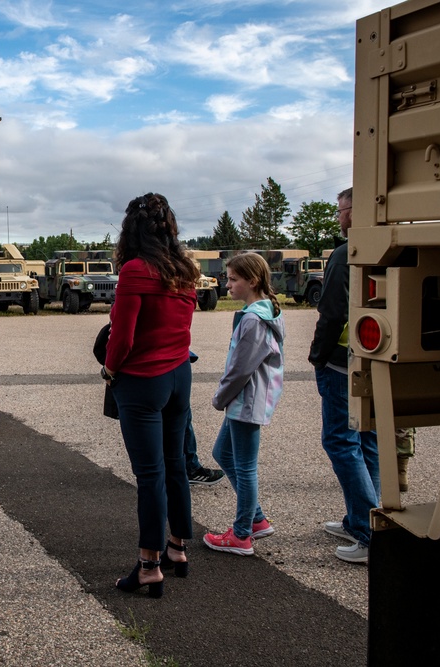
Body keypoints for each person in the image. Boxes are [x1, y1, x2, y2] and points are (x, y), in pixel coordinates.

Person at [103, 193, 199, 599]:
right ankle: (177, 547)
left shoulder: (135, 271)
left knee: (150, 475)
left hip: (144, 379)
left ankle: (148, 566)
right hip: (179, 374)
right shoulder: (184, 269)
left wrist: (110, 369)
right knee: (175, 464)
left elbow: (122, 336)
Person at [309, 187, 379, 565]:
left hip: (341, 362)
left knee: (341, 442)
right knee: (368, 441)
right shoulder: (387, 248)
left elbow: (331, 311)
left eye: (341, 210)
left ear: (354, 212)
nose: (339, 217)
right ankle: (363, 520)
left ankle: (369, 534)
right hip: (375, 361)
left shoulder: (345, 253)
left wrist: (317, 357)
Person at [203, 253, 285, 556]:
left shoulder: (253, 319)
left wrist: (220, 397)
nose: (227, 285)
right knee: (222, 452)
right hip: (247, 400)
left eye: (233, 279)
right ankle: (258, 520)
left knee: (245, 467)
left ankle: (241, 534)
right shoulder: (259, 312)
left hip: (246, 400)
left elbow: (241, 368)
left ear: (252, 280)